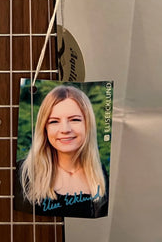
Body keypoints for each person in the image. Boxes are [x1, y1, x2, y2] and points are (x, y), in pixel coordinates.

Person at [15, 85, 109, 218]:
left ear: (87, 125)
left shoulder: (100, 174)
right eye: (54, 121)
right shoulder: (21, 174)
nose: (65, 129)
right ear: (44, 128)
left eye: (75, 119)